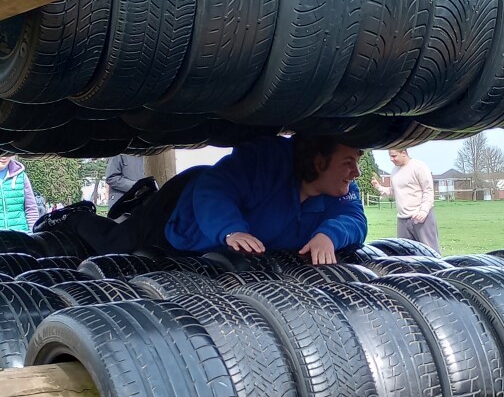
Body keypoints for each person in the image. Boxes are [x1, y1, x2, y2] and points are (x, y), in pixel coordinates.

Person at [46, 135, 367, 264]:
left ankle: (138, 201)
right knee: (115, 246)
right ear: (318, 162)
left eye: (357, 161)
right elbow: (216, 189)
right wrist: (231, 230)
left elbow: (355, 219)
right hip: (184, 207)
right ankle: (72, 218)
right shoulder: (268, 162)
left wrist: (329, 235)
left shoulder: (340, 191)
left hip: (210, 230)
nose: (355, 172)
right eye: (348, 162)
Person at [371, 147, 440, 253]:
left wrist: (424, 211)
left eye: (394, 156)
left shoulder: (419, 167)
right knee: (405, 254)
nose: (391, 159)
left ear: (403, 153)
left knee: (430, 252)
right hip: (402, 219)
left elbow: (428, 190)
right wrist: (378, 187)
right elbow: (394, 191)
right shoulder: (394, 171)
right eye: (390, 156)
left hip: (421, 218)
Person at [0, 152, 39, 231]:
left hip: (20, 238)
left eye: (8, 153)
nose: (4, 157)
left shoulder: (21, 176)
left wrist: (33, 234)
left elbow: (31, 209)